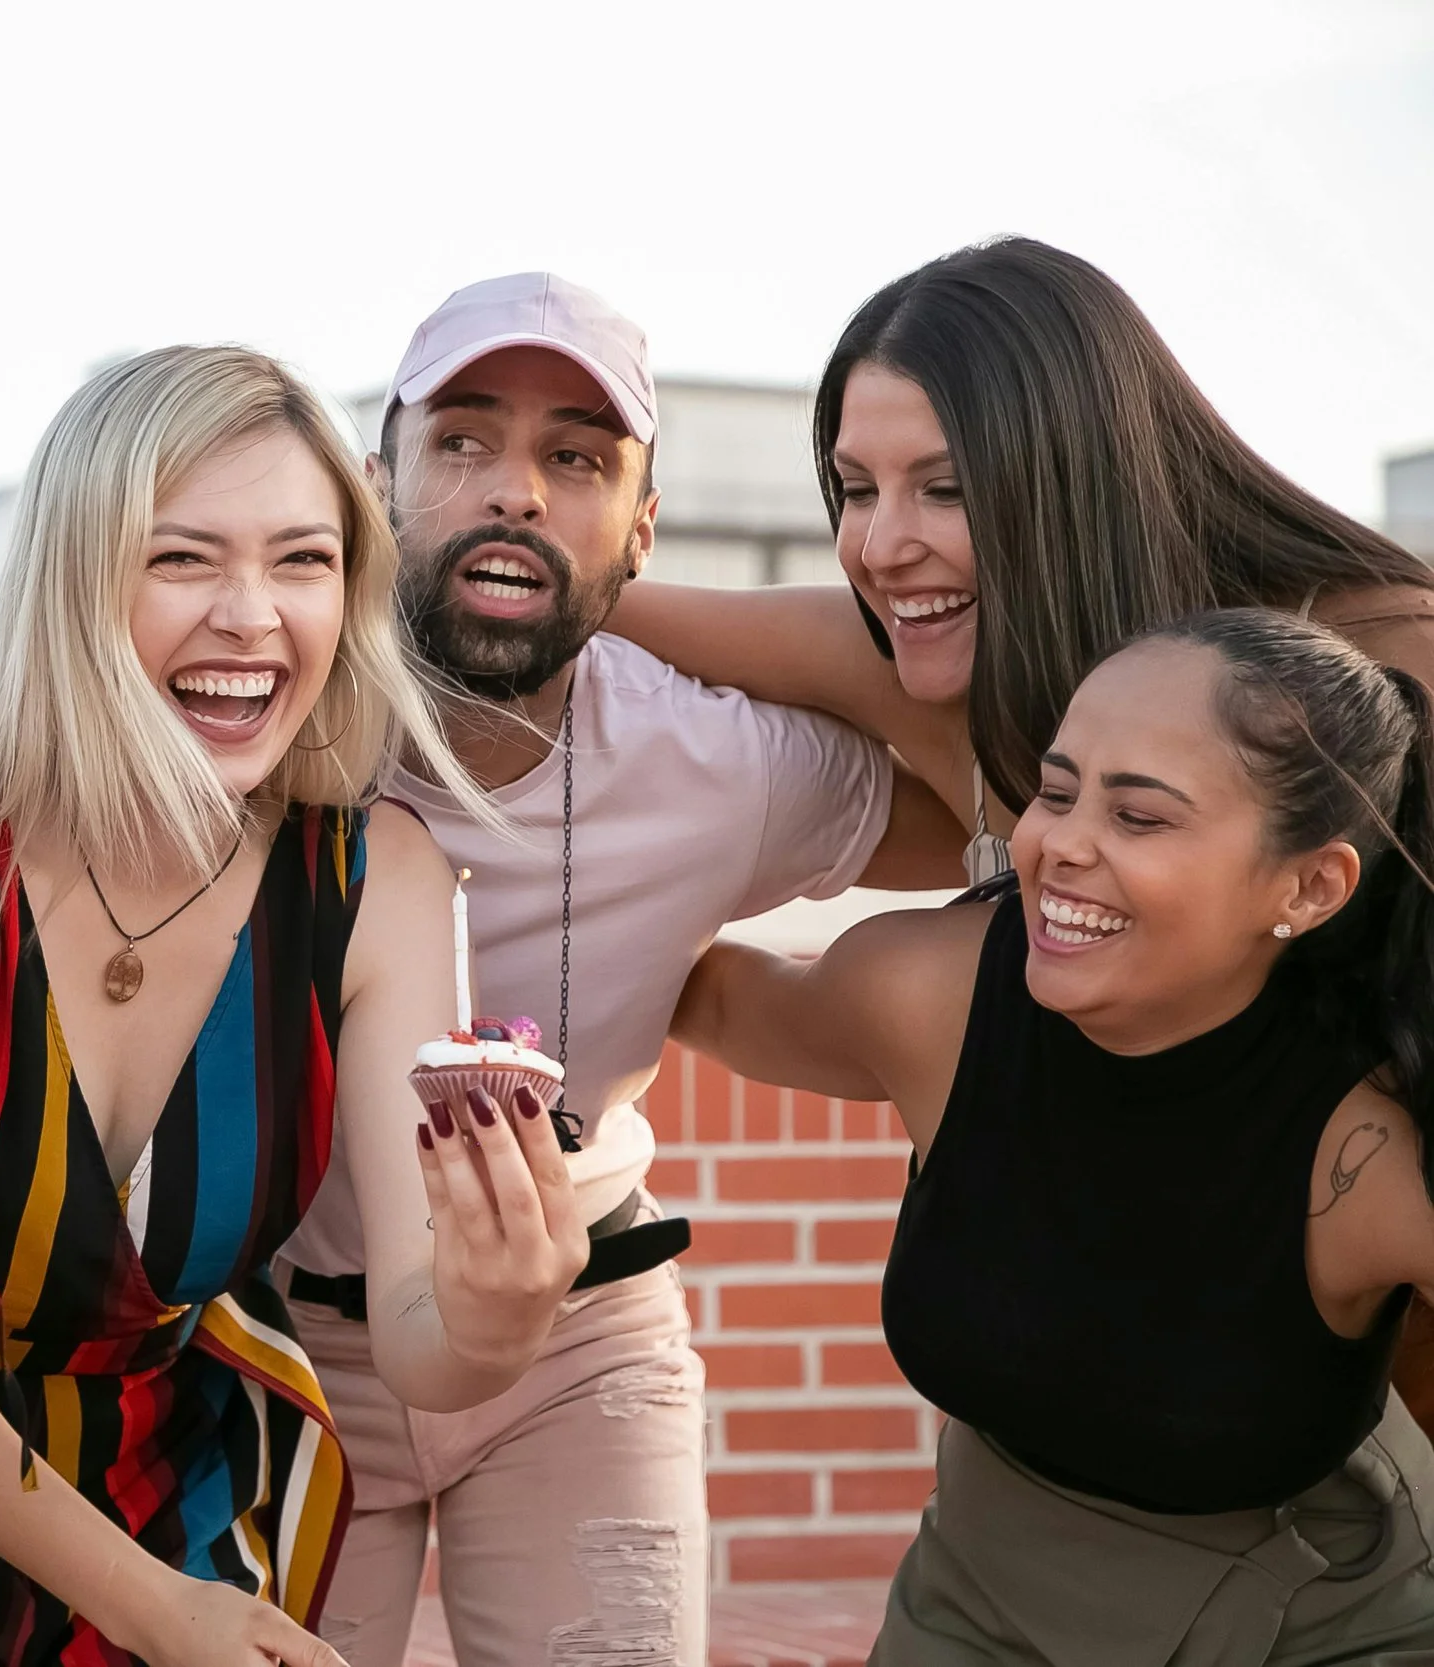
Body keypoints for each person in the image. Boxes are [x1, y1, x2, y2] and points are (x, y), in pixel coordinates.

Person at [0, 344, 595, 1667]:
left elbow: (423, 1344)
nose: (255, 616)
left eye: (304, 561)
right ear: (78, 583)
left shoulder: (380, 881)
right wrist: (152, 1610)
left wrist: (499, 1306)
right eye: (184, 557)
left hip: (173, 1505)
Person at [240, 274, 958, 1667]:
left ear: (641, 520)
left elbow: (985, 796)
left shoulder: (720, 761)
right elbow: (26, 686)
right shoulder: (261, 702)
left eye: (575, 458)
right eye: (462, 442)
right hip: (283, 1342)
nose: (514, 490)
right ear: (378, 482)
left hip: (584, 1337)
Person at [604, 233, 1434, 1417]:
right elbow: (598, 619)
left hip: (1349, 1422)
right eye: (854, 488)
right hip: (1061, 1377)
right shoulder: (933, 658)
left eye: (944, 487)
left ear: (1074, 472)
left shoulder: (1376, 662)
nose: (883, 543)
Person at [672, 609, 1434, 1660]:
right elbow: (708, 1000)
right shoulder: (932, 996)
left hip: (1316, 1619)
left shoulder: (1374, 1147)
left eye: (1141, 817)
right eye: (1058, 789)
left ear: (1308, 886)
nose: (1058, 844)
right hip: (972, 1601)